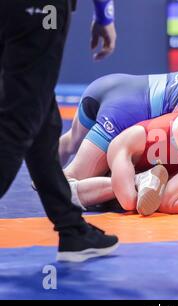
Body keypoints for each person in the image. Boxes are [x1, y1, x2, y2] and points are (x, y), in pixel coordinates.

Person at [0, 0, 118, 262]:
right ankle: (71, 227)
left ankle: (71, 228)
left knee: (43, 119)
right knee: (20, 121)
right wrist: (104, 15)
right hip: (40, 9)